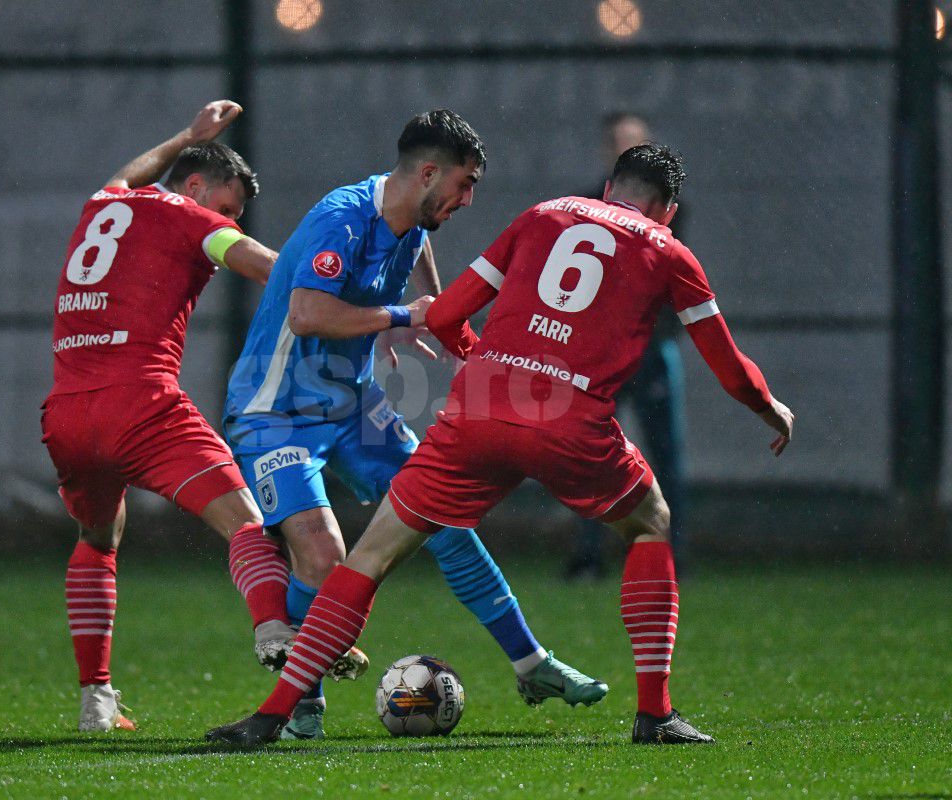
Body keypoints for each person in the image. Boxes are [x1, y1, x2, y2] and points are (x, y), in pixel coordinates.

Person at [207, 143, 794, 746]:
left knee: (369, 557)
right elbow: (728, 367)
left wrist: (486, 359)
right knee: (651, 523)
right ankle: (655, 713)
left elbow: (446, 313)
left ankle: (271, 715)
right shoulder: (672, 252)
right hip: (562, 418)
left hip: (476, 407)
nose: (466, 201)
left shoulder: (544, 214)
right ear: (667, 209)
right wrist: (768, 408)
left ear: (609, 186)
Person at [221, 109, 607, 740]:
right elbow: (307, 313)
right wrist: (402, 317)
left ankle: (531, 662)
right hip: (276, 414)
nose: (468, 198)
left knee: (447, 517)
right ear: (429, 173)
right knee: (322, 556)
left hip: (352, 404)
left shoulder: (409, 214)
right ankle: (302, 702)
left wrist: (428, 313)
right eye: (464, 183)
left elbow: (418, 250)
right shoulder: (341, 218)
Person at [41, 101, 292, 732]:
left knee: (99, 537)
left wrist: (188, 134)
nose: (226, 219)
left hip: (67, 412)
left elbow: (125, 175)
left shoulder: (105, 205)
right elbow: (265, 266)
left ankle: (95, 700)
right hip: (141, 405)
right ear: (195, 187)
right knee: (246, 521)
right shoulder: (187, 216)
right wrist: (347, 288)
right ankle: (271, 629)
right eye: (225, 206)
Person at [565, 112, 691, 579]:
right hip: (602, 357)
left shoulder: (672, 207)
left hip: (653, 351)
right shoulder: (586, 206)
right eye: (619, 144)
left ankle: (672, 557)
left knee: (667, 456)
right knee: (591, 455)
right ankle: (589, 557)